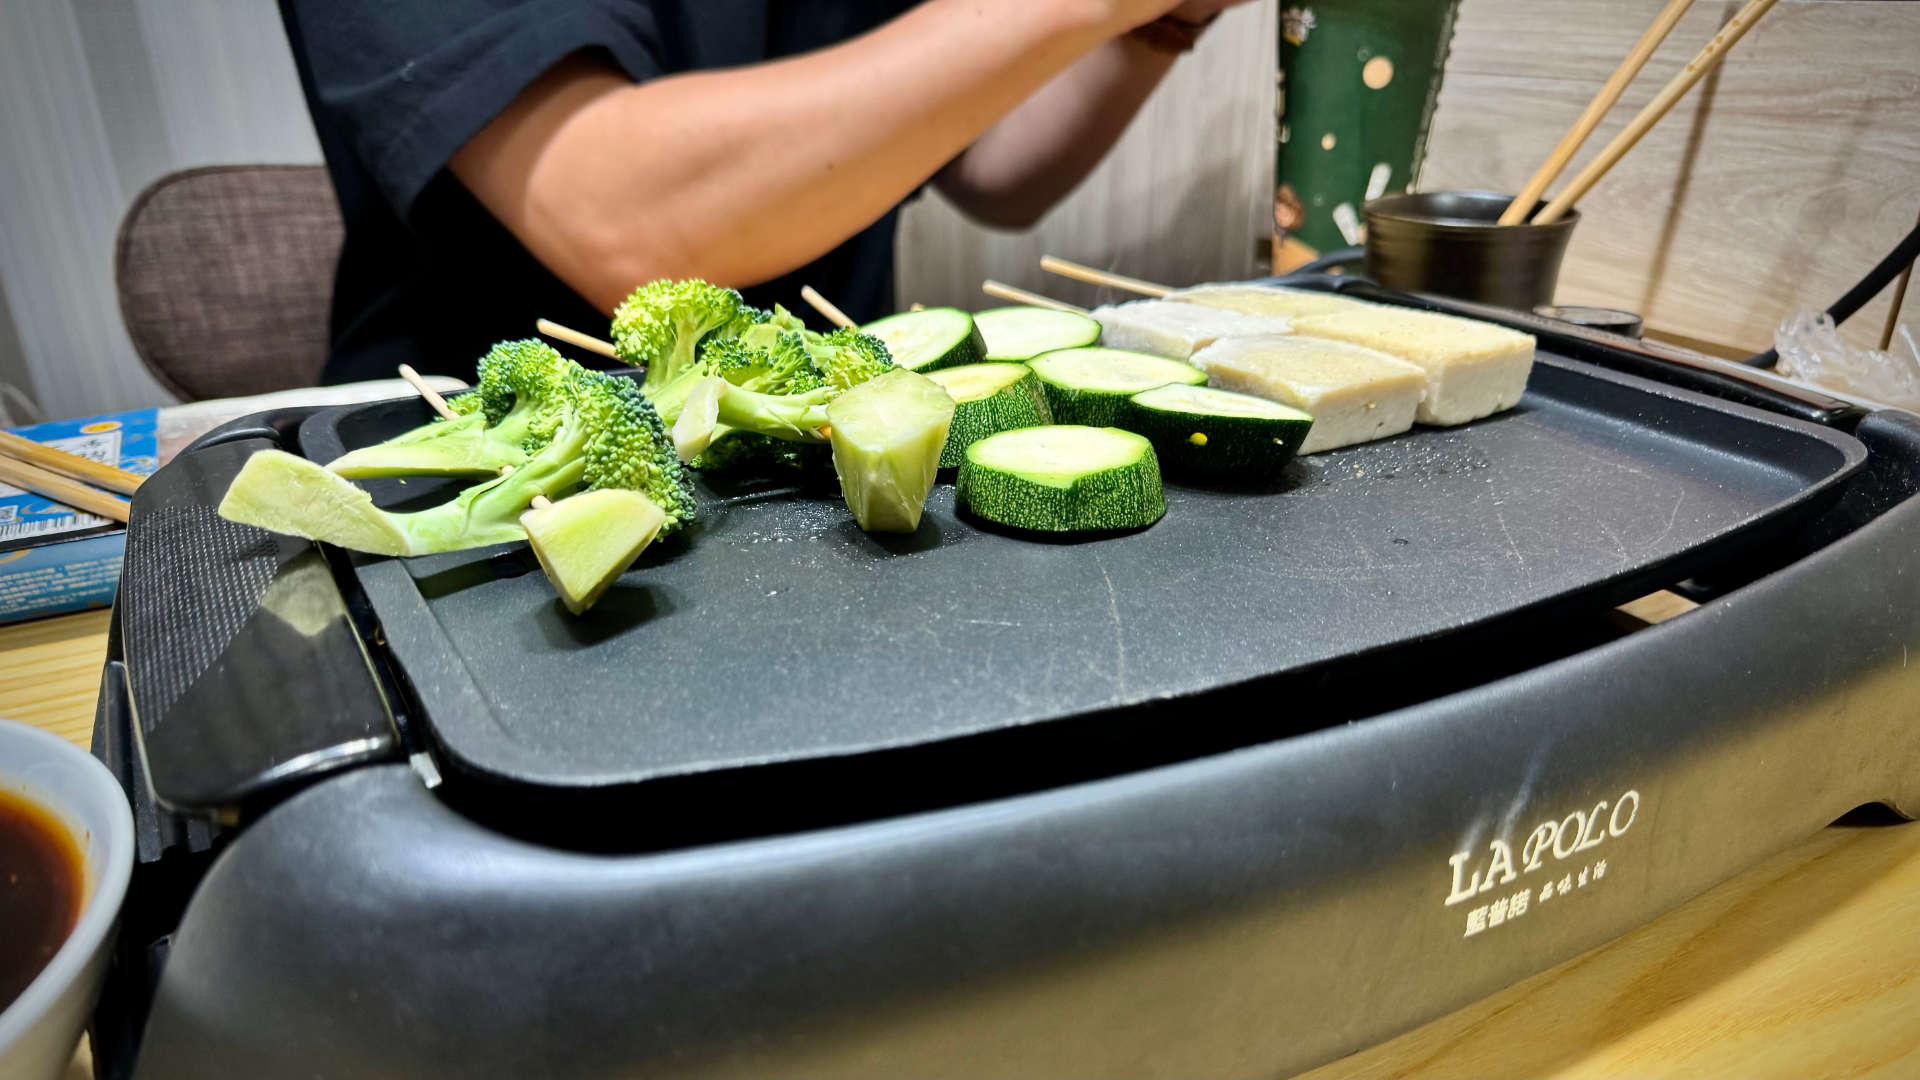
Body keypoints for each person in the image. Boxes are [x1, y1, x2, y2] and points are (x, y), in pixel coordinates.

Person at [278, 0, 1253, 384]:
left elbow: (989, 161)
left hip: (822, 458)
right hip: (484, 492)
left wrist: (1160, 25)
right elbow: (625, 221)